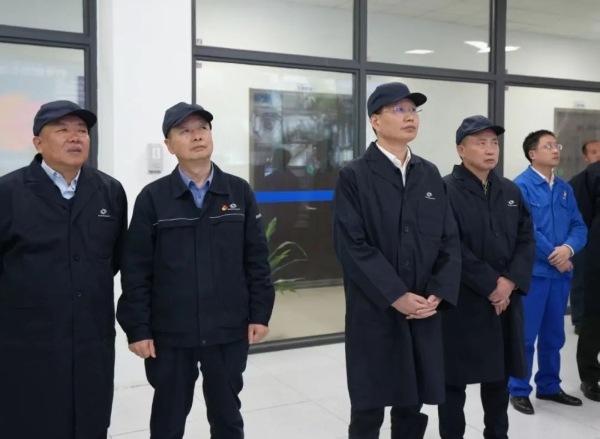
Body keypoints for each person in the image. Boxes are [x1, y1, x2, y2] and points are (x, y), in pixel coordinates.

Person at [116, 102, 275, 439]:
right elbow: (135, 270)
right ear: (169, 145)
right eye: (185, 131)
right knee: (168, 418)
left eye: (202, 128)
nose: (197, 136)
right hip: (171, 331)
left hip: (227, 327)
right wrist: (138, 328)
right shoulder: (153, 198)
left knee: (227, 415)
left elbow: (257, 259)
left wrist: (260, 313)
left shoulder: (238, 192)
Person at [332, 82, 461, 439]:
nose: (410, 117)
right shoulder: (354, 175)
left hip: (423, 307)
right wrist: (395, 295)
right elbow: (351, 245)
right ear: (375, 120)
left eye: (413, 110)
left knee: (412, 401)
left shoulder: (429, 173)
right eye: (399, 110)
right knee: (369, 404)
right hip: (374, 308)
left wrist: (438, 292)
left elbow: (449, 239)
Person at [0, 100, 128, 438]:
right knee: (28, 423)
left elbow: (114, 259)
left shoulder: (110, 191)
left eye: (82, 130)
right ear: (38, 143)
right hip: (25, 341)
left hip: (91, 337)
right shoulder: (7, 192)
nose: (75, 137)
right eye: (62, 130)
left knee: (89, 422)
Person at [438, 116, 536, 439]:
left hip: (504, 303)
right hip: (462, 303)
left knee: (498, 380)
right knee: (453, 384)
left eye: (494, 142)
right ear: (460, 149)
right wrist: (492, 284)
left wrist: (509, 282)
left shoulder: (510, 190)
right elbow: (448, 245)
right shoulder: (444, 190)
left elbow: (526, 239)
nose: (490, 149)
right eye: (480, 143)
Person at [509, 130, 588, 415]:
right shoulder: (520, 186)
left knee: (555, 335)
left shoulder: (565, 188)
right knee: (526, 335)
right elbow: (526, 230)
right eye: (549, 146)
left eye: (557, 145)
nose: (556, 150)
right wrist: (555, 256)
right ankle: (519, 389)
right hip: (534, 274)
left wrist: (568, 249)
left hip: (560, 275)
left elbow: (579, 226)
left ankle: (549, 385)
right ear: (533, 154)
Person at [574, 158, 600, 401]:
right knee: (595, 315)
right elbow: (582, 215)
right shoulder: (594, 173)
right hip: (597, 253)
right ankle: (590, 377)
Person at [569, 141, 600, 335]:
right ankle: (580, 320)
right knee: (580, 279)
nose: (598, 155)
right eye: (594, 152)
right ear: (585, 157)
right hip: (582, 238)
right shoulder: (577, 182)